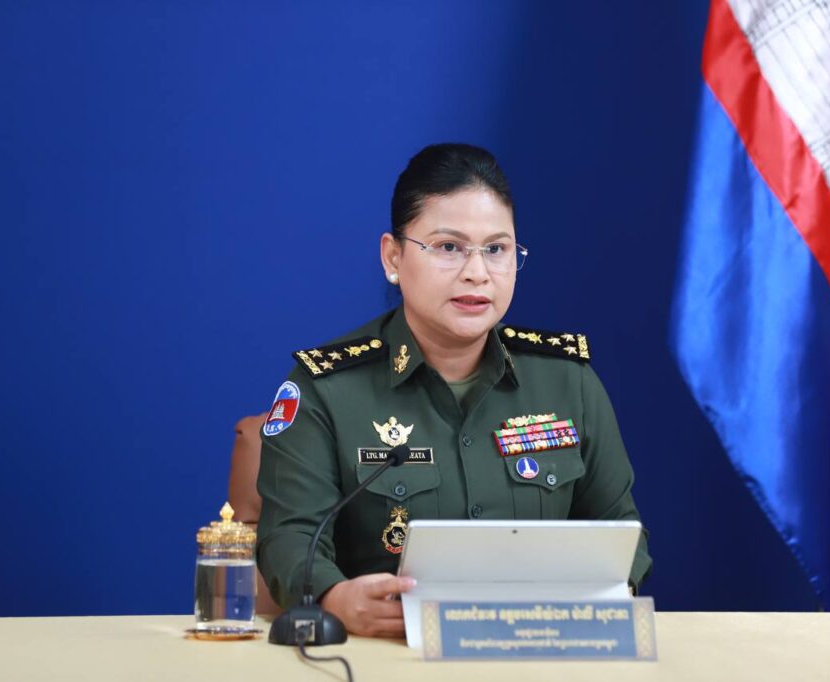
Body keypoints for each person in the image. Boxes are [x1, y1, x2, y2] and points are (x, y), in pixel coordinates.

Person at [256, 143, 651, 638]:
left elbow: (622, 532)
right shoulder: (326, 389)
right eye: (448, 247)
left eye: (496, 249)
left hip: (540, 648)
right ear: (393, 256)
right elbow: (289, 536)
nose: (477, 273)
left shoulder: (568, 382)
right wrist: (334, 597)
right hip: (386, 653)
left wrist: (609, 595)